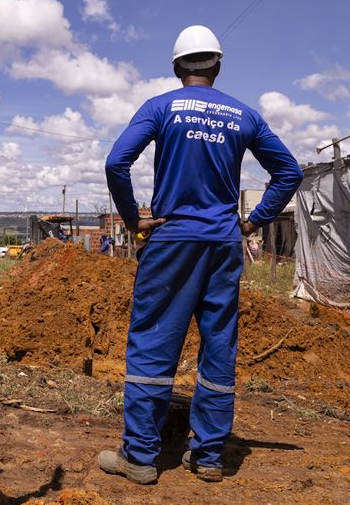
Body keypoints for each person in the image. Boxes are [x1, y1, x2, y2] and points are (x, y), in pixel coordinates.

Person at [99, 25, 302, 484]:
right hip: (223, 244)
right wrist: (252, 221)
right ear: (217, 66)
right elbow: (289, 172)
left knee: (153, 342)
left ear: (176, 68)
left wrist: (132, 219)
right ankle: (209, 456)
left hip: (172, 241)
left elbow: (116, 162)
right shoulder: (244, 116)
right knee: (218, 344)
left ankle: (140, 457)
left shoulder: (160, 107)